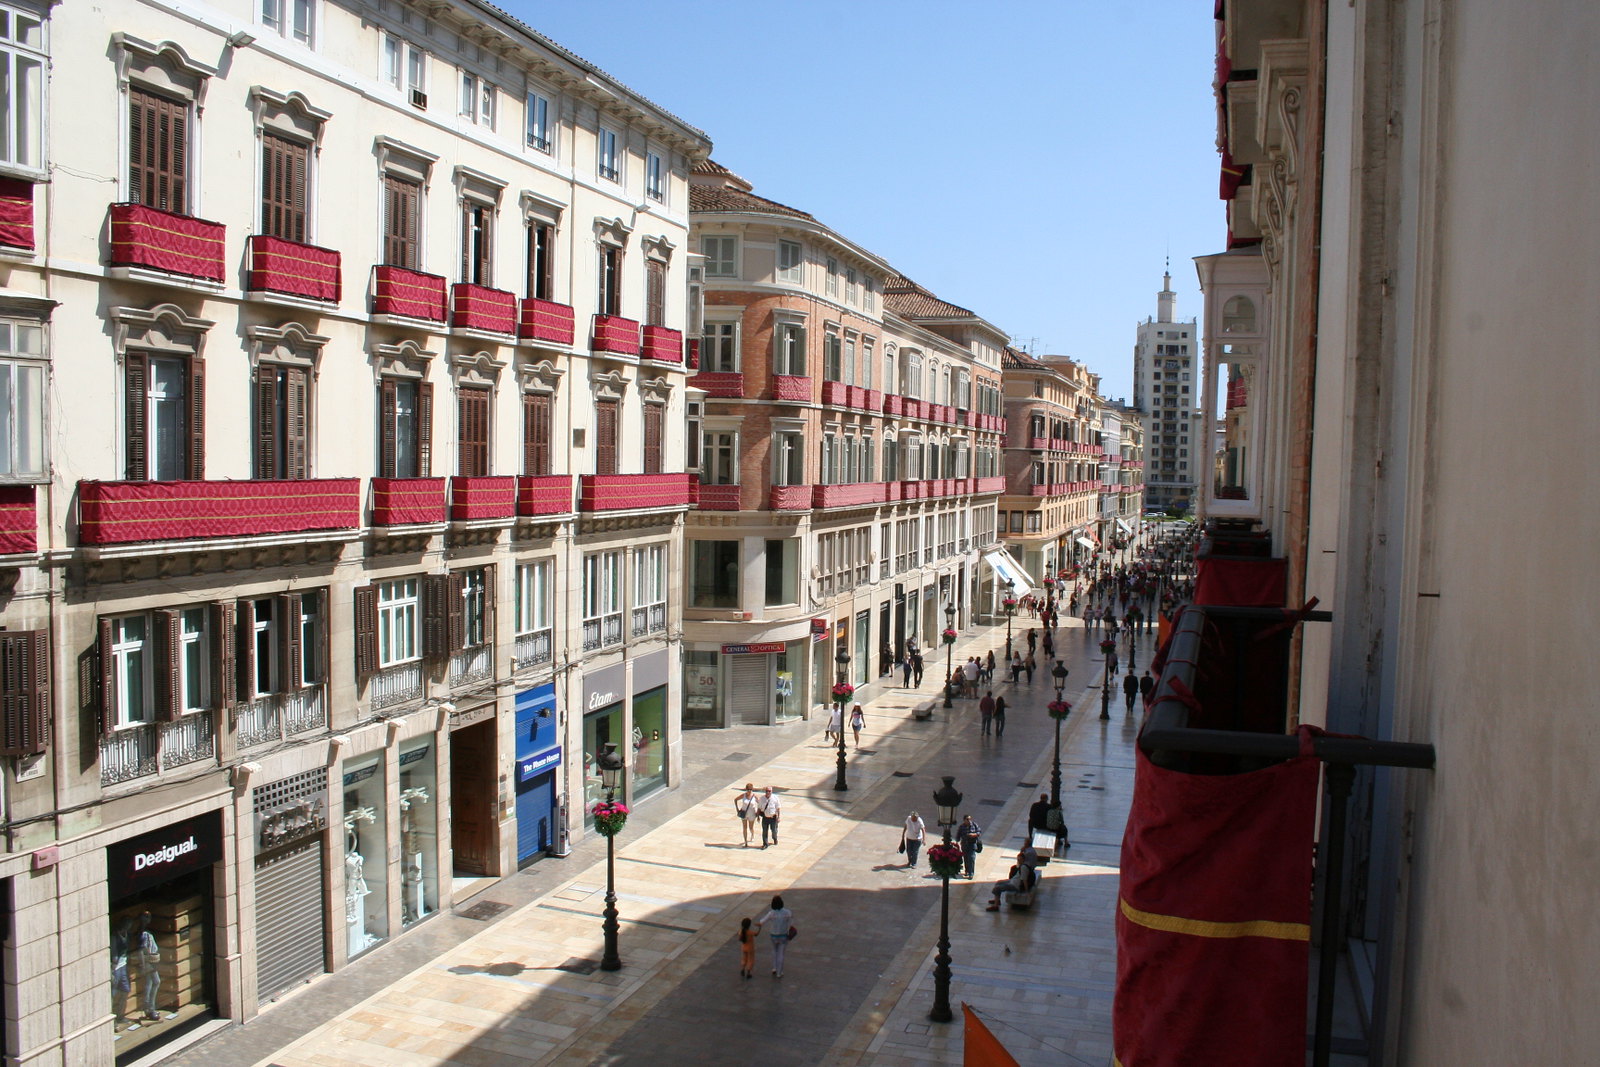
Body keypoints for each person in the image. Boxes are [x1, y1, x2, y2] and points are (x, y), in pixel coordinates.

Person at [753, 895, 793, 978]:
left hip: (773, 935)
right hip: (783, 935)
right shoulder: (787, 912)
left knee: (774, 951)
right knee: (781, 954)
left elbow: (762, 921)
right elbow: (791, 923)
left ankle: (774, 968)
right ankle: (780, 972)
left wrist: (757, 924)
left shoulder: (771, 913)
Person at [735, 783, 760, 847]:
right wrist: (737, 809)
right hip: (744, 813)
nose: (749, 791)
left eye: (751, 789)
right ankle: (746, 841)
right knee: (744, 827)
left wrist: (758, 813)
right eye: (748, 789)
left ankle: (752, 835)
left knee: (751, 827)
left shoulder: (754, 796)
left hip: (752, 814)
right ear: (746, 789)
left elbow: (760, 804)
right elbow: (735, 799)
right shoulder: (743, 795)